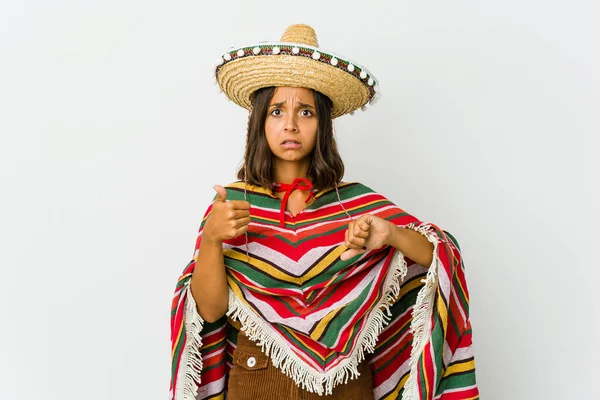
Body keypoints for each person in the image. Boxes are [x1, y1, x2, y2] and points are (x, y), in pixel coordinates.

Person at [169, 24, 478, 400]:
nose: (291, 125)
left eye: (306, 112)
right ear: (259, 123)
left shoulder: (354, 202)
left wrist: (391, 234)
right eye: (277, 111)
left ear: (324, 125)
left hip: (345, 384)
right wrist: (214, 239)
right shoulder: (232, 204)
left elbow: (441, 260)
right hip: (257, 381)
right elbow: (211, 311)